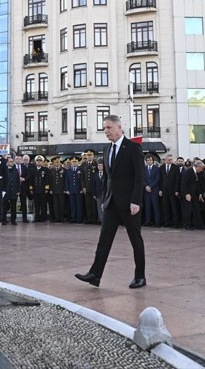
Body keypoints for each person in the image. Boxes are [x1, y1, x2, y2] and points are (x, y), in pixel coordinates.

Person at [76, 115, 146, 289]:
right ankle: (95, 275)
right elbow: (108, 177)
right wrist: (105, 198)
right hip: (110, 204)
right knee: (104, 240)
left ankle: (140, 276)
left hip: (130, 204)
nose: (105, 131)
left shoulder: (133, 148)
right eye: (104, 128)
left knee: (135, 240)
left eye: (108, 127)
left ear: (118, 127)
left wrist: (136, 201)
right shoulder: (106, 150)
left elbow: (139, 177)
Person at [80, 151, 98, 224]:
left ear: (93, 156)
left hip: (94, 187)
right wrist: (83, 187)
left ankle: (94, 218)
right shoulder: (83, 165)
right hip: (86, 188)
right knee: (88, 204)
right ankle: (89, 218)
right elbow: (82, 178)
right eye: (88, 155)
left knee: (94, 204)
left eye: (91, 155)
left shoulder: (95, 164)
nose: (89, 156)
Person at [142, 154, 161, 227]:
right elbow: (142, 178)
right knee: (147, 207)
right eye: (147, 160)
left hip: (154, 190)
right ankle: (147, 221)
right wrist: (146, 186)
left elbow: (157, 179)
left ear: (153, 161)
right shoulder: (144, 168)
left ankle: (157, 222)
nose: (149, 161)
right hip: (146, 190)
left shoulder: (157, 168)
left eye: (150, 160)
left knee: (155, 206)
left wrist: (150, 186)